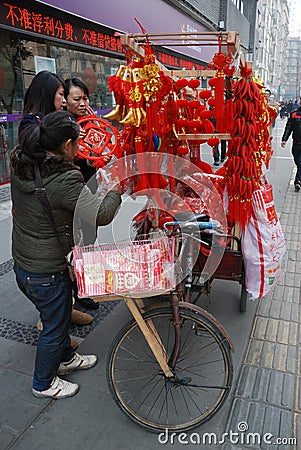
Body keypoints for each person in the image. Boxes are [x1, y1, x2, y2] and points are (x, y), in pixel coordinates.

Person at [11, 110, 121, 398]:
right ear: (66, 145)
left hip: (24, 263)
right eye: (78, 142)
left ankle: (66, 359)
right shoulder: (63, 180)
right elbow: (101, 213)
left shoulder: (21, 161)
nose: (81, 146)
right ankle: (43, 383)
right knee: (55, 324)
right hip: (45, 270)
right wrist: (117, 188)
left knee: (55, 317)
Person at [19, 71, 94, 329]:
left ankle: (65, 312)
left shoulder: (49, 120)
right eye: (63, 95)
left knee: (66, 260)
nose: (64, 101)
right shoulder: (33, 125)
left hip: (59, 199)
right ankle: (53, 326)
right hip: (45, 206)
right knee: (52, 271)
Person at [64, 78, 102, 310]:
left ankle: (82, 289)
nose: (81, 103)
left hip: (91, 187)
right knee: (74, 243)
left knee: (88, 239)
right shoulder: (63, 126)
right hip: (72, 192)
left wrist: (94, 122)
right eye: (76, 98)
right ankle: (73, 292)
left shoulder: (90, 122)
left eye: (84, 98)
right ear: (65, 100)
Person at [281, 98, 301, 191]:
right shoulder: (294, 114)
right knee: (298, 163)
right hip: (296, 144)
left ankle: (297, 182)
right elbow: (289, 127)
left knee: (300, 164)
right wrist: (284, 139)